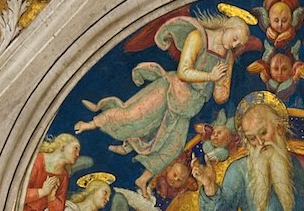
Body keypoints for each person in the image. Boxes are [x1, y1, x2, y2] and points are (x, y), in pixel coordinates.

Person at [74, 15, 250, 194]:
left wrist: (219, 83)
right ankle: (92, 123)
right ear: (227, 27)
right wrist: (210, 76)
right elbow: (183, 72)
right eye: (235, 38)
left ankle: (142, 180)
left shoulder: (227, 57)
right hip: (171, 89)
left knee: (171, 149)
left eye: (239, 43)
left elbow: (221, 97)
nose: (235, 44)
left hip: (188, 106)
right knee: (134, 116)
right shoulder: (198, 37)